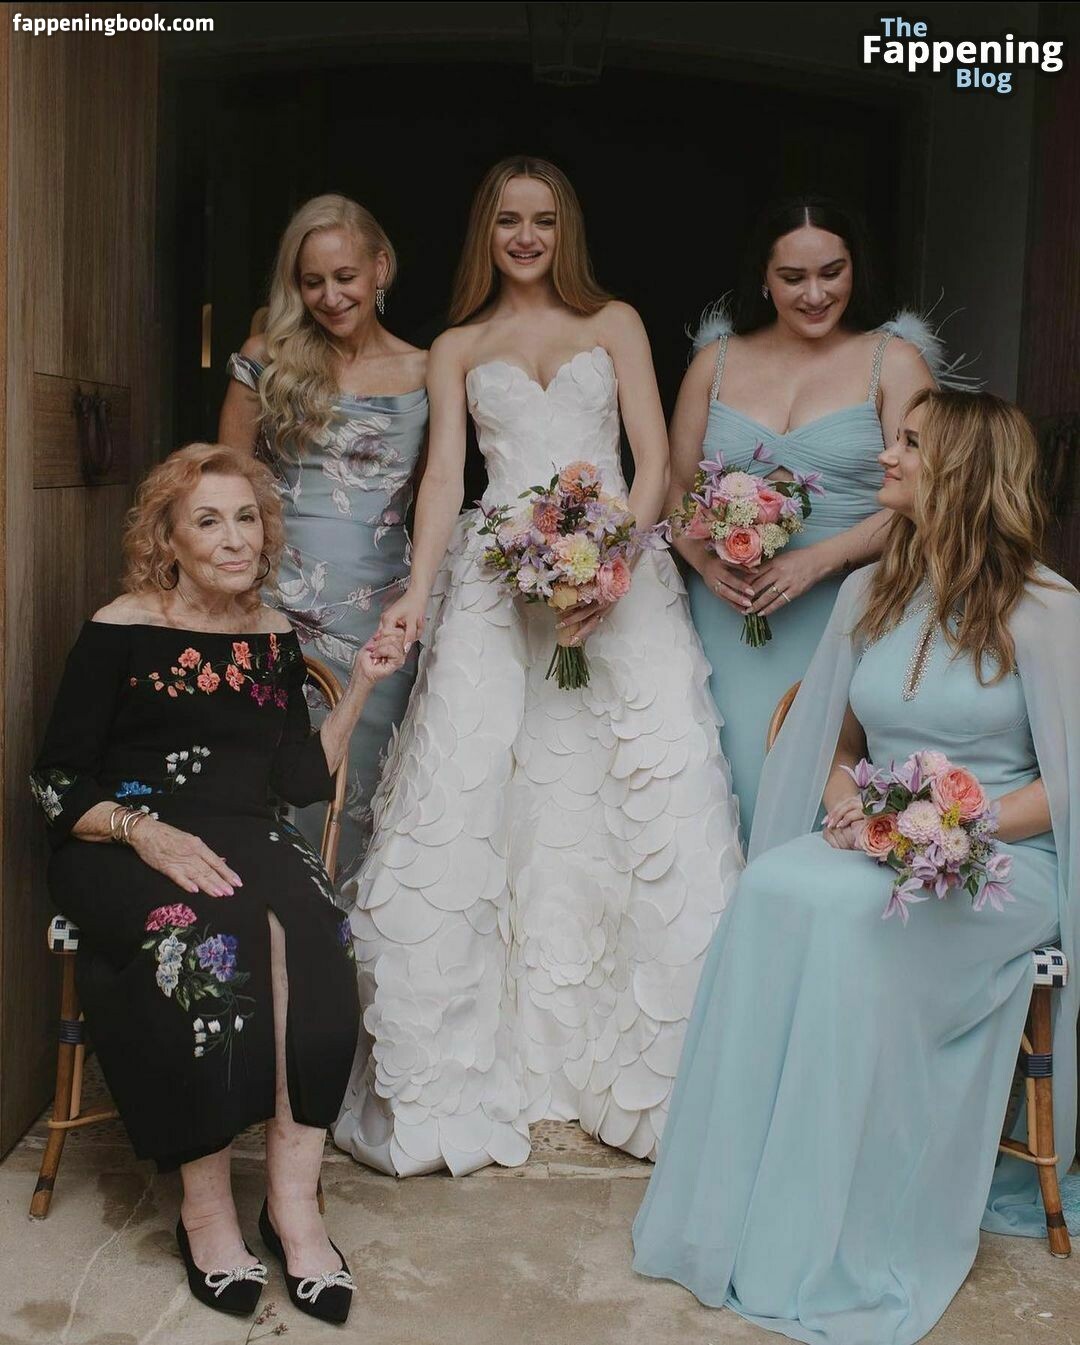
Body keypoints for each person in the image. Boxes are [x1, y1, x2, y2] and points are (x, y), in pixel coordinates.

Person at [632, 389, 1079, 1345]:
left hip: (1004, 863)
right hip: (888, 848)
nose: (885, 456)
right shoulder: (870, 592)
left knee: (844, 920)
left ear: (960, 470)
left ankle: (835, 1232)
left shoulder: (1047, 610)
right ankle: (735, 1215)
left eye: (909, 443)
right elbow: (839, 747)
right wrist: (850, 803)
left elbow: (1069, 785)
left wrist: (956, 822)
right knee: (771, 885)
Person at [331, 156, 743, 1178]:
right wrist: (417, 592)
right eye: (509, 220)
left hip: (622, 575)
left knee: (638, 797)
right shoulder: (459, 346)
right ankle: (471, 1068)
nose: (526, 236)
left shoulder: (617, 323)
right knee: (475, 799)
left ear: (567, 232)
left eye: (544, 221)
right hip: (495, 582)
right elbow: (443, 479)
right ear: (487, 230)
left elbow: (653, 459)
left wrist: (610, 564)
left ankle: (638, 1073)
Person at [31, 444, 406, 1323]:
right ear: (168, 538)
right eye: (208, 520)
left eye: (246, 517)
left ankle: (293, 1205)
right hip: (122, 838)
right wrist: (147, 833)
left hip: (242, 829)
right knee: (202, 937)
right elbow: (56, 781)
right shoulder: (118, 628)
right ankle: (204, 1210)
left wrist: (359, 686)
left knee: (318, 933)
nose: (235, 538)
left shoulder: (273, 635)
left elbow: (297, 778)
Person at [670, 197, 934, 840]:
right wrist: (705, 564)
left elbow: (930, 494)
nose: (816, 295)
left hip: (848, 606)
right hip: (725, 609)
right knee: (715, 780)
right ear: (764, 277)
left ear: (855, 269)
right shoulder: (715, 362)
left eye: (832, 273)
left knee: (817, 782)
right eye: (793, 278)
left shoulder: (893, 361)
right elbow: (674, 491)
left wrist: (823, 558)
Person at [219, 193, 427, 891]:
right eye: (313, 282)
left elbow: (433, 493)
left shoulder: (428, 370)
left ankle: (344, 939)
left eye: (345, 277)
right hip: (273, 600)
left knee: (363, 785)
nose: (331, 297)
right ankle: (264, 925)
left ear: (381, 268)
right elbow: (228, 485)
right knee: (266, 776)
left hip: (380, 608)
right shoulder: (266, 357)